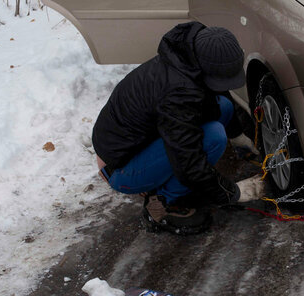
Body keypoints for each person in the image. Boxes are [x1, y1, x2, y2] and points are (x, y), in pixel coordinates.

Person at [92, 22, 266, 235]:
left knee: (224, 106)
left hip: (137, 142)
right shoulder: (177, 95)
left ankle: (165, 181)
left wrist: (238, 136)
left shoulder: (189, 57)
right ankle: (162, 203)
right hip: (121, 167)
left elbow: (217, 91)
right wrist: (233, 193)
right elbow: (189, 162)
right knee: (213, 137)